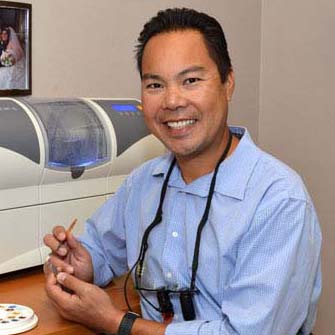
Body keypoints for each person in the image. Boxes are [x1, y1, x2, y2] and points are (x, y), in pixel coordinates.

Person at [44, 7, 322, 335]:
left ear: (227, 83)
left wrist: (114, 321)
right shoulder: (143, 182)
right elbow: (101, 248)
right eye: (155, 85)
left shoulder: (278, 200)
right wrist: (82, 264)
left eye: (190, 80)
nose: (172, 101)